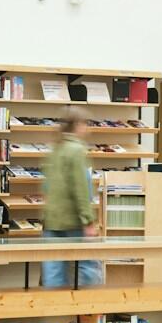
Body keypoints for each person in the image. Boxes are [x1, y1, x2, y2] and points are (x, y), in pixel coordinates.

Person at [40, 109, 103, 289]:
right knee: (87, 265)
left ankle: (54, 312)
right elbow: (81, 189)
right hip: (73, 221)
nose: (88, 129)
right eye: (86, 124)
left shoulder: (55, 149)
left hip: (52, 220)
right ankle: (89, 307)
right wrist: (88, 221)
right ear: (78, 125)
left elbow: (46, 187)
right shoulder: (76, 150)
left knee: (53, 270)